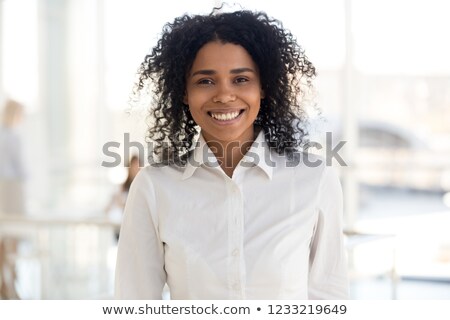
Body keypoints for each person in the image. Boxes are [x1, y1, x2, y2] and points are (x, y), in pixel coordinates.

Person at [115, 9, 348, 299]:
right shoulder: (154, 187)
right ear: (184, 92)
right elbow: (136, 302)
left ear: (263, 87)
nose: (224, 95)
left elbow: (328, 297)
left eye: (241, 80)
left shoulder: (314, 179)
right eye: (205, 81)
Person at [0, 99, 27, 299]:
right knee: (14, 235)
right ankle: (11, 280)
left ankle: (5, 282)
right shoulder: (14, 138)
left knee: (4, 236)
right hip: (12, 188)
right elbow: (21, 169)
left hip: (4, 189)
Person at [105, 155, 141, 240]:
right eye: (134, 166)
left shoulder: (142, 186)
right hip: (122, 227)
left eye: (138, 166)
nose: (136, 169)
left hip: (136, 227)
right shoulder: (122, 187)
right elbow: (108, 208)